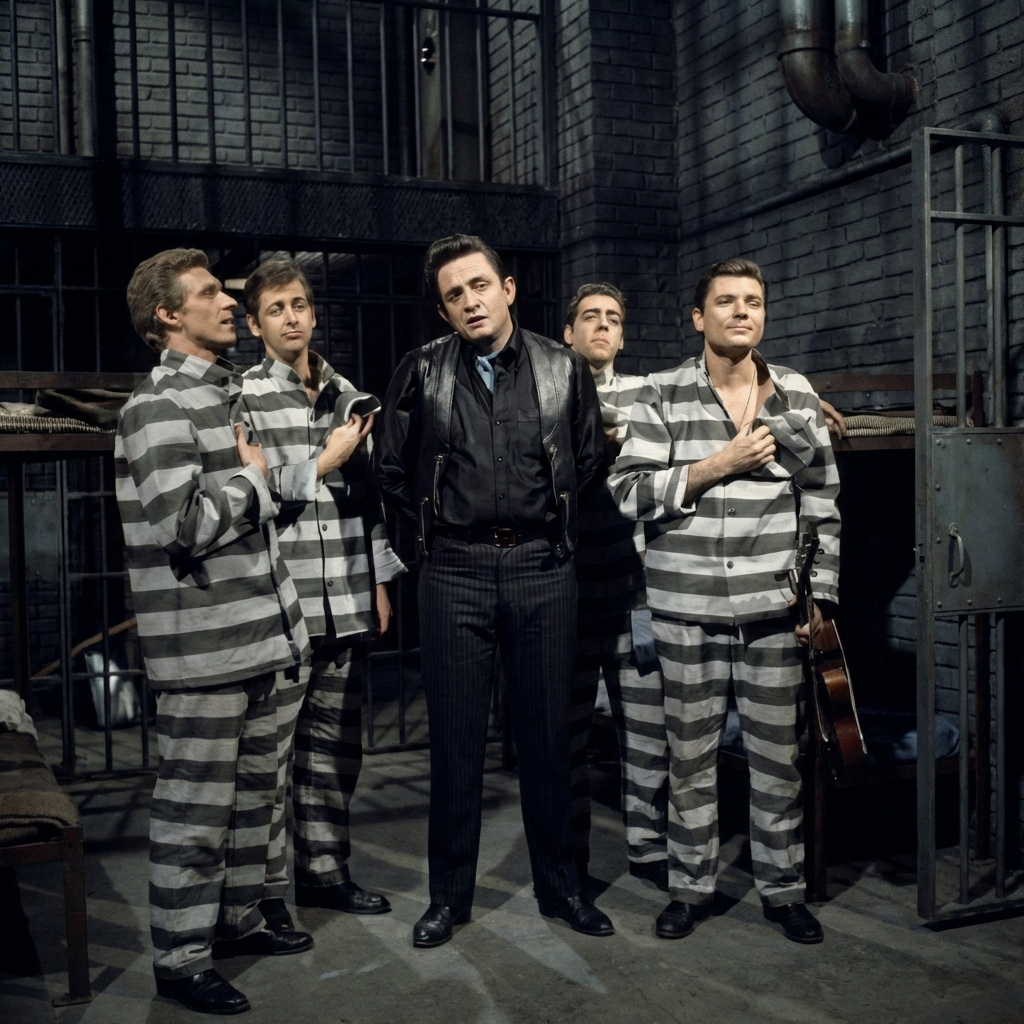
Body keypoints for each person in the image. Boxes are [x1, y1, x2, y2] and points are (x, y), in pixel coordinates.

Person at [372, 234, 610, 947]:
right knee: (455, 744)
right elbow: (390, 469)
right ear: (444, 310)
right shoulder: (423, 370)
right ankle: (448, 899)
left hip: (543, 567)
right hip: (454, 571)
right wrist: (430, 543)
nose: (470, 301)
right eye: (455, 294)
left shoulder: (563, 367)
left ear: (508, 289)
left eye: (480, 285)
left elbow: (587, 459)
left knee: (548, 740)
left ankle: (562, 890)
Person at [608, 258, 840, 944]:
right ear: (698, 317)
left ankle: (783, 891)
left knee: (778, 759)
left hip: (773, 607)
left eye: (753, 301)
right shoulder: (662, 393)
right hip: (687, 607)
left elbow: (822, 501)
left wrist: (819, 594)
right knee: (690, 758)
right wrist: (717, 466)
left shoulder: (795, 393)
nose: (742, 311)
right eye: (727, 301)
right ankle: (690, 889)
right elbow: (628, 491)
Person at [116, 248, 313, 1016]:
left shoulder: (223, 395)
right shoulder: (156, 405)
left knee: (255, 800)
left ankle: (237, 921)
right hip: (203, 653)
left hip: (260, 638)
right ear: (168, 314)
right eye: (208, 294)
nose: (229, 302)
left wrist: (267, 481)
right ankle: (181, 958)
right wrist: (255, 480)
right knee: (195, 810)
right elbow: (182, 523)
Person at [239, 257, 406, 927]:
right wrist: (323, 460)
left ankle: (325, 874)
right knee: (272, 758)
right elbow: (247, 497)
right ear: (255, 325)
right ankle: (264, 894)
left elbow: (370, 497)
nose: (292, 318)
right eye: (276, 309)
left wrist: (379, 580)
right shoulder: (244, 397)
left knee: (336, 750)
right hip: (284, 603)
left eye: (300, 305)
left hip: (347, 595)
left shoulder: (346, 395)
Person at [562, 283, 669, 887]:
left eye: (613, 318)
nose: (602, 326)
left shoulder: (649, 392)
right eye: (590, 317)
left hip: (635, 595)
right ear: (569, 333)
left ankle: (648, 850)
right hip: (570, 596)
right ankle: (570, 858)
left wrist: (800, 402)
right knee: (568, 736)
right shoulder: (549, 392)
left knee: (648, 735)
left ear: (622, 336)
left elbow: (718, 407)